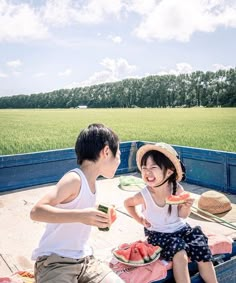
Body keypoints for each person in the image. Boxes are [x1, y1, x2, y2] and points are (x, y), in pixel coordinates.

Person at [30, 123, 124, 283]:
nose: (119, 161)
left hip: (85, 261)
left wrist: (96, 215)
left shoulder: (92, 183)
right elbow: (36, 211)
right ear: (106, 152)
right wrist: (81, 215)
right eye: (119, 155)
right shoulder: (74, 179)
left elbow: (75, 208)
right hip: (55, 262)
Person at [124, 142, 218, 283]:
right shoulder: (144, 195)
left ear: (169, 171)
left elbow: (182, 215)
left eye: (153, 167)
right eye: (144, 168)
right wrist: (140, 219)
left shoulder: (177, 189)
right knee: (180, 254)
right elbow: (128, 203)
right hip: (158, 234)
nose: (147, 172)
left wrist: (186, 205)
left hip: (182, 230)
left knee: (202, 249)